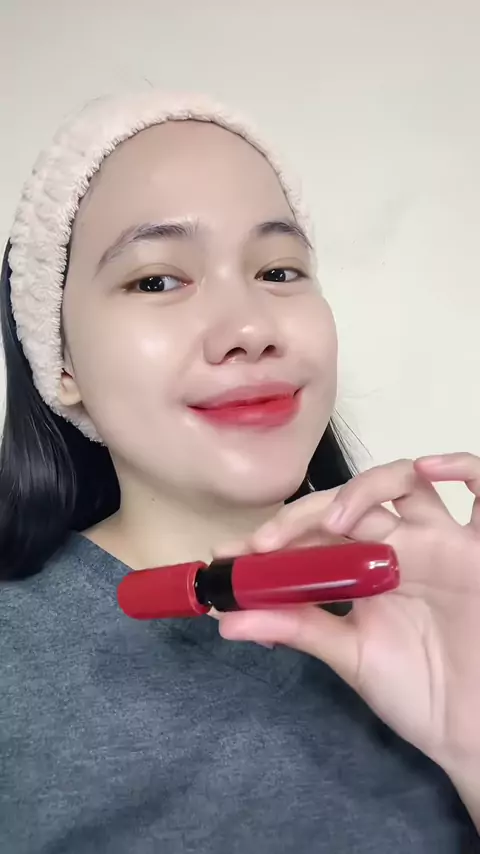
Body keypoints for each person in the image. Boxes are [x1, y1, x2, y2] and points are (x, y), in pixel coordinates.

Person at [0, 91, 478, 854]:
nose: (251, 329)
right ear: (60, 361)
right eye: (157, 280)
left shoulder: (443, 602)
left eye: (280, 270)